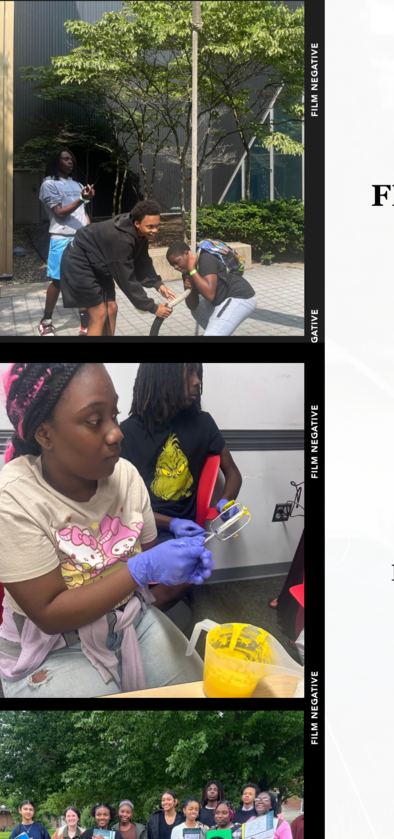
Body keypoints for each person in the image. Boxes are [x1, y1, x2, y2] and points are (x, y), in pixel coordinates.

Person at [0, 363, 213, 697]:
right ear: (45, 434)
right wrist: (142, 567)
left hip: (131, 620)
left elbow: (150, 556)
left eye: (114, 415)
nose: (116, 433)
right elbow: (50, 615)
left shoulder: (126, 476)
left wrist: (179, 566)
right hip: (54, 645)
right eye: (94, 421)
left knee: (203, 699)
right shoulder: (15, 496)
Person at [119, 364, 243, 614]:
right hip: (138, 525)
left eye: (199, 373)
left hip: (179, 533)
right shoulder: (127, 433)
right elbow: (121, 506)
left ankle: (133, 619)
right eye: (189, 373)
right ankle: (126, 618)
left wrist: (226, 501)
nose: (197, 381)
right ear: (161, 377)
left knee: (185, 576)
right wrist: (171, 522)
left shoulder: (203, 423)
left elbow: (233, 474)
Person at [59, 199, 179, 336]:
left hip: (99, 261)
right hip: (79, 262)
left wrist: (158, 285)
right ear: (137, 223)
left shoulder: (140, 233)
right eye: (150, 227)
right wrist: (153, 307)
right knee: (99, 313)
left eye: (157, 226)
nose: (155, 230)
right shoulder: (121, 241)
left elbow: (142, 262)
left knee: (111, 308)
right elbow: (127, 280)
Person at [36, 149, 92, 338]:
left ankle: (85, 325)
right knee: (59, 281)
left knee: (82, 279)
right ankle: (46, 321)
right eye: (66, 159)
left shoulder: (78, 184)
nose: (70, 162)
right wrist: (82, 198)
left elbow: (83, 213)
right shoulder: (49, 184)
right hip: (61, 239)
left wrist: (88, 230)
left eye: (72, 159)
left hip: (81, 239)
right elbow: (59, 213)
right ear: (56, 162)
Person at [166, 241, 258, 336]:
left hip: (239, 297)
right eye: (172, 265)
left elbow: (209, 295)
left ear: (186, 254)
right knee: (197, 311)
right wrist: (188, 288)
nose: (175, 267)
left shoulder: (205, 259)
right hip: (220, 300)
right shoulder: (186, 272)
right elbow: (192, 306)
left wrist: (193, 271)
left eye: (176, 262)